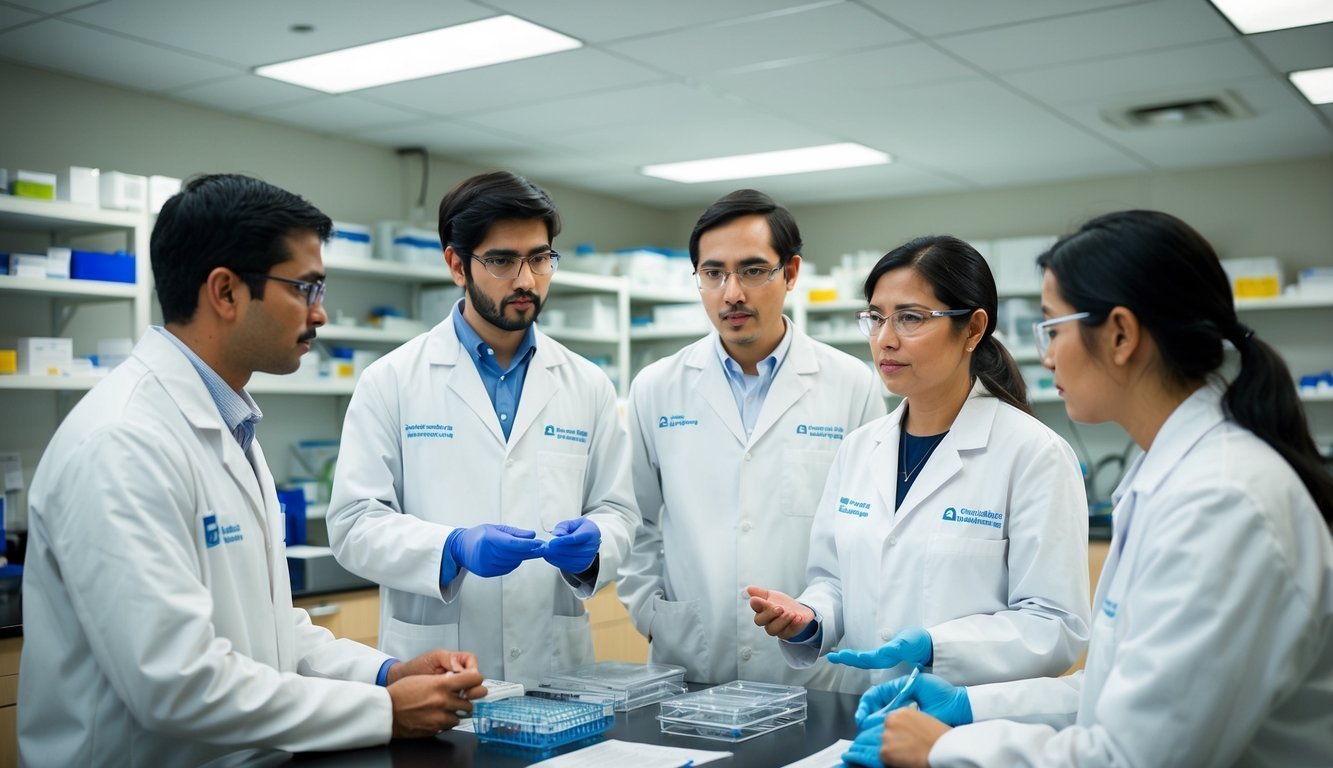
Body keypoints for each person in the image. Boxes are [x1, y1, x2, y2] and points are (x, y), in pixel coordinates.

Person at [18, 174, 487, 766]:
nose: (320, 314)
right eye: (306, 289)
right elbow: (176, 683)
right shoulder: (124, 442)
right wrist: (385, 713)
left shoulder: (228, 422)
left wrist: (385, 673)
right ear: (226, 291)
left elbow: (267, 633)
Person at [853, 210, 1333, 768]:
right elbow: (1111, 694)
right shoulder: (1177, 478)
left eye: (1053, 326)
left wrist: (945, 748)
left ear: (1122, 335)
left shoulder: (1222, 500)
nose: (1045, 353)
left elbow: (1134, 756)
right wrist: (969, 705)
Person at [327, 171, 639, 687]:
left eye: (540, 259)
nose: (525, 280)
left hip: (554, 667)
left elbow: (620, 512)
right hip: (438, 661)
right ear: (456, 264)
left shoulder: (587, 385)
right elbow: (354, 523)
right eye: (501, 260)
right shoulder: (392, 381)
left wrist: (595, 545)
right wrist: (451, 547)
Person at [748, 235, 1092, 696]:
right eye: (876, 318)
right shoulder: (858, 449)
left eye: (910, 318)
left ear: (972, 329)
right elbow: (833, 580)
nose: (885, 340)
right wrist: (810, 618)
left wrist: (937, 646)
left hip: (974, 730)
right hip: (865, 716)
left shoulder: (1034, 455)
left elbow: (1056, 625)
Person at [617, 189, 885, 686]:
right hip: (692, 659)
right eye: (713, 273)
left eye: (754, 270)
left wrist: (823, 617)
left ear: (791, 272)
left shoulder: (851, 384)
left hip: (817, 667)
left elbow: (866, 533)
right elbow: (634, 521)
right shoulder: (656, 387)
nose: (731, 292)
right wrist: (652, 616)